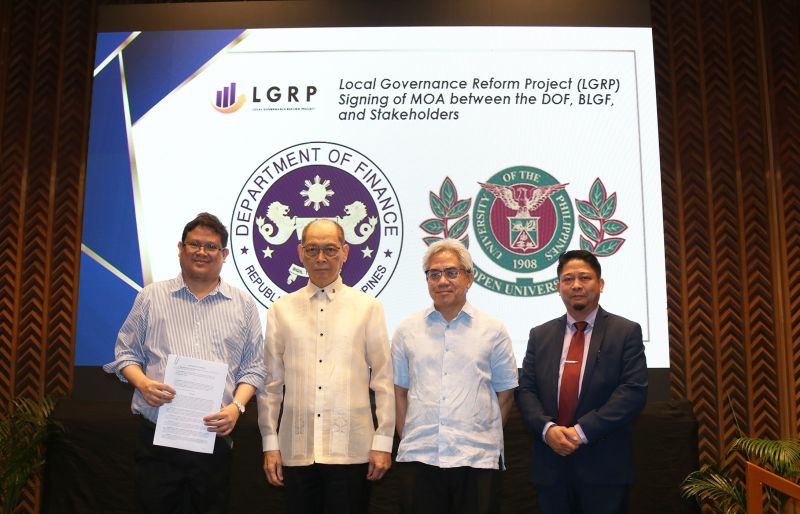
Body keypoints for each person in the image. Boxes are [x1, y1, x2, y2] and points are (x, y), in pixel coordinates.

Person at [103, 212, 266, 514]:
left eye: (211, 246)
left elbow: (255, 368)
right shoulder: (151, 297)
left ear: (224, 254)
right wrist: (143, 383)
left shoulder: (243, 306)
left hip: (213, 440)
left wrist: (237, 407)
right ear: (181, 248)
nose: (202, 252)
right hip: (158, 441)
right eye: (194, 244)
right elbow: (125, 354)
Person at [257, 218, 394, 514]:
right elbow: (271, 385)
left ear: (345, 252)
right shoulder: (280, 310)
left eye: (330, 249)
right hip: (296, 450)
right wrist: (270, 443)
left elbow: (383, 380)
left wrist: (383, 441)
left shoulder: (368, 308)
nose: (321, 258)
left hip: (352, 452)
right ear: (300, 253)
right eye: (313, 249)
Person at [515, 249, 648, 514]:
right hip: (550, 467)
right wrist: (547, 429)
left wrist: (580, 432)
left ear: (600, 284)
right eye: (568, 279)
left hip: (604, 469)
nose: (576, 285)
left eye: (585, 278)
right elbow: (526, 390)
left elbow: (632, 392)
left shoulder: (625, 332)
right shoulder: (540, 335)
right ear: (558, 287)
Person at [392, 239, 518, 514]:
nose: (442, 281)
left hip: (476, 458)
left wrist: (481, 433)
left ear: (469, 278)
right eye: (434, 274)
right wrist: (409, 437)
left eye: (451, 272)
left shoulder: (493, 330)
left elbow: (506, 394)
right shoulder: (406, 330)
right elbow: (399, 392)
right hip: (420, 456)